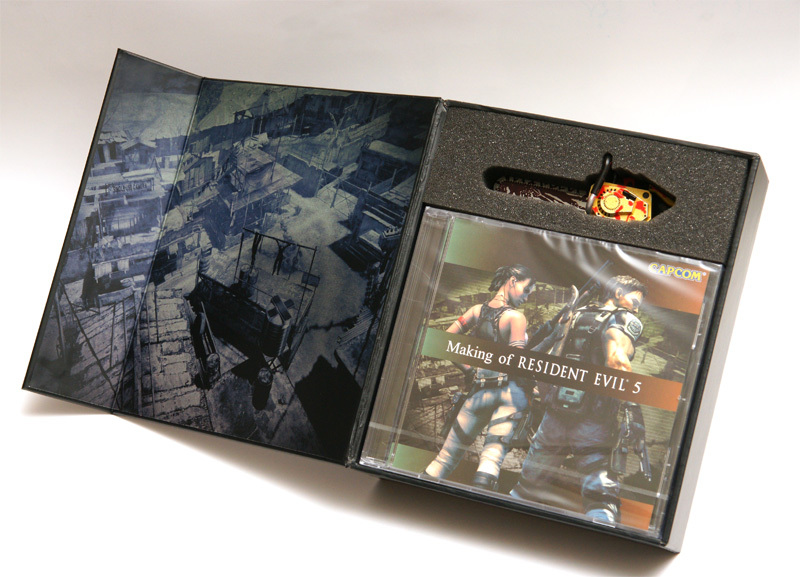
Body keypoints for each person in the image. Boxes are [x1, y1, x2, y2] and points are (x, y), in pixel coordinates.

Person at [509, 275, 647, 524]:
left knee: (525, 489)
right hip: (594, 422)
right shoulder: (623, 319)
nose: (636, 309)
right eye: (635, 302)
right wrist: (633, 408)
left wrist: (546, 399)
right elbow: (617, 362)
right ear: (618, 293)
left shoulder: (575, 314)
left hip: (554, 417)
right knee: (600, 500)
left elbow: (546, 358)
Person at [423, 265, 535, 491]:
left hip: (479, 390)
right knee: (491, 458)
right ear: (513, 280)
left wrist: (467, 370)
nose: (526, 297)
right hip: (509, 395)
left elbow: (444, 341)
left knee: (444, 459)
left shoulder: (475, 311)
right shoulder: (516, 318)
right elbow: (518, 361)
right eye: (526, 290)